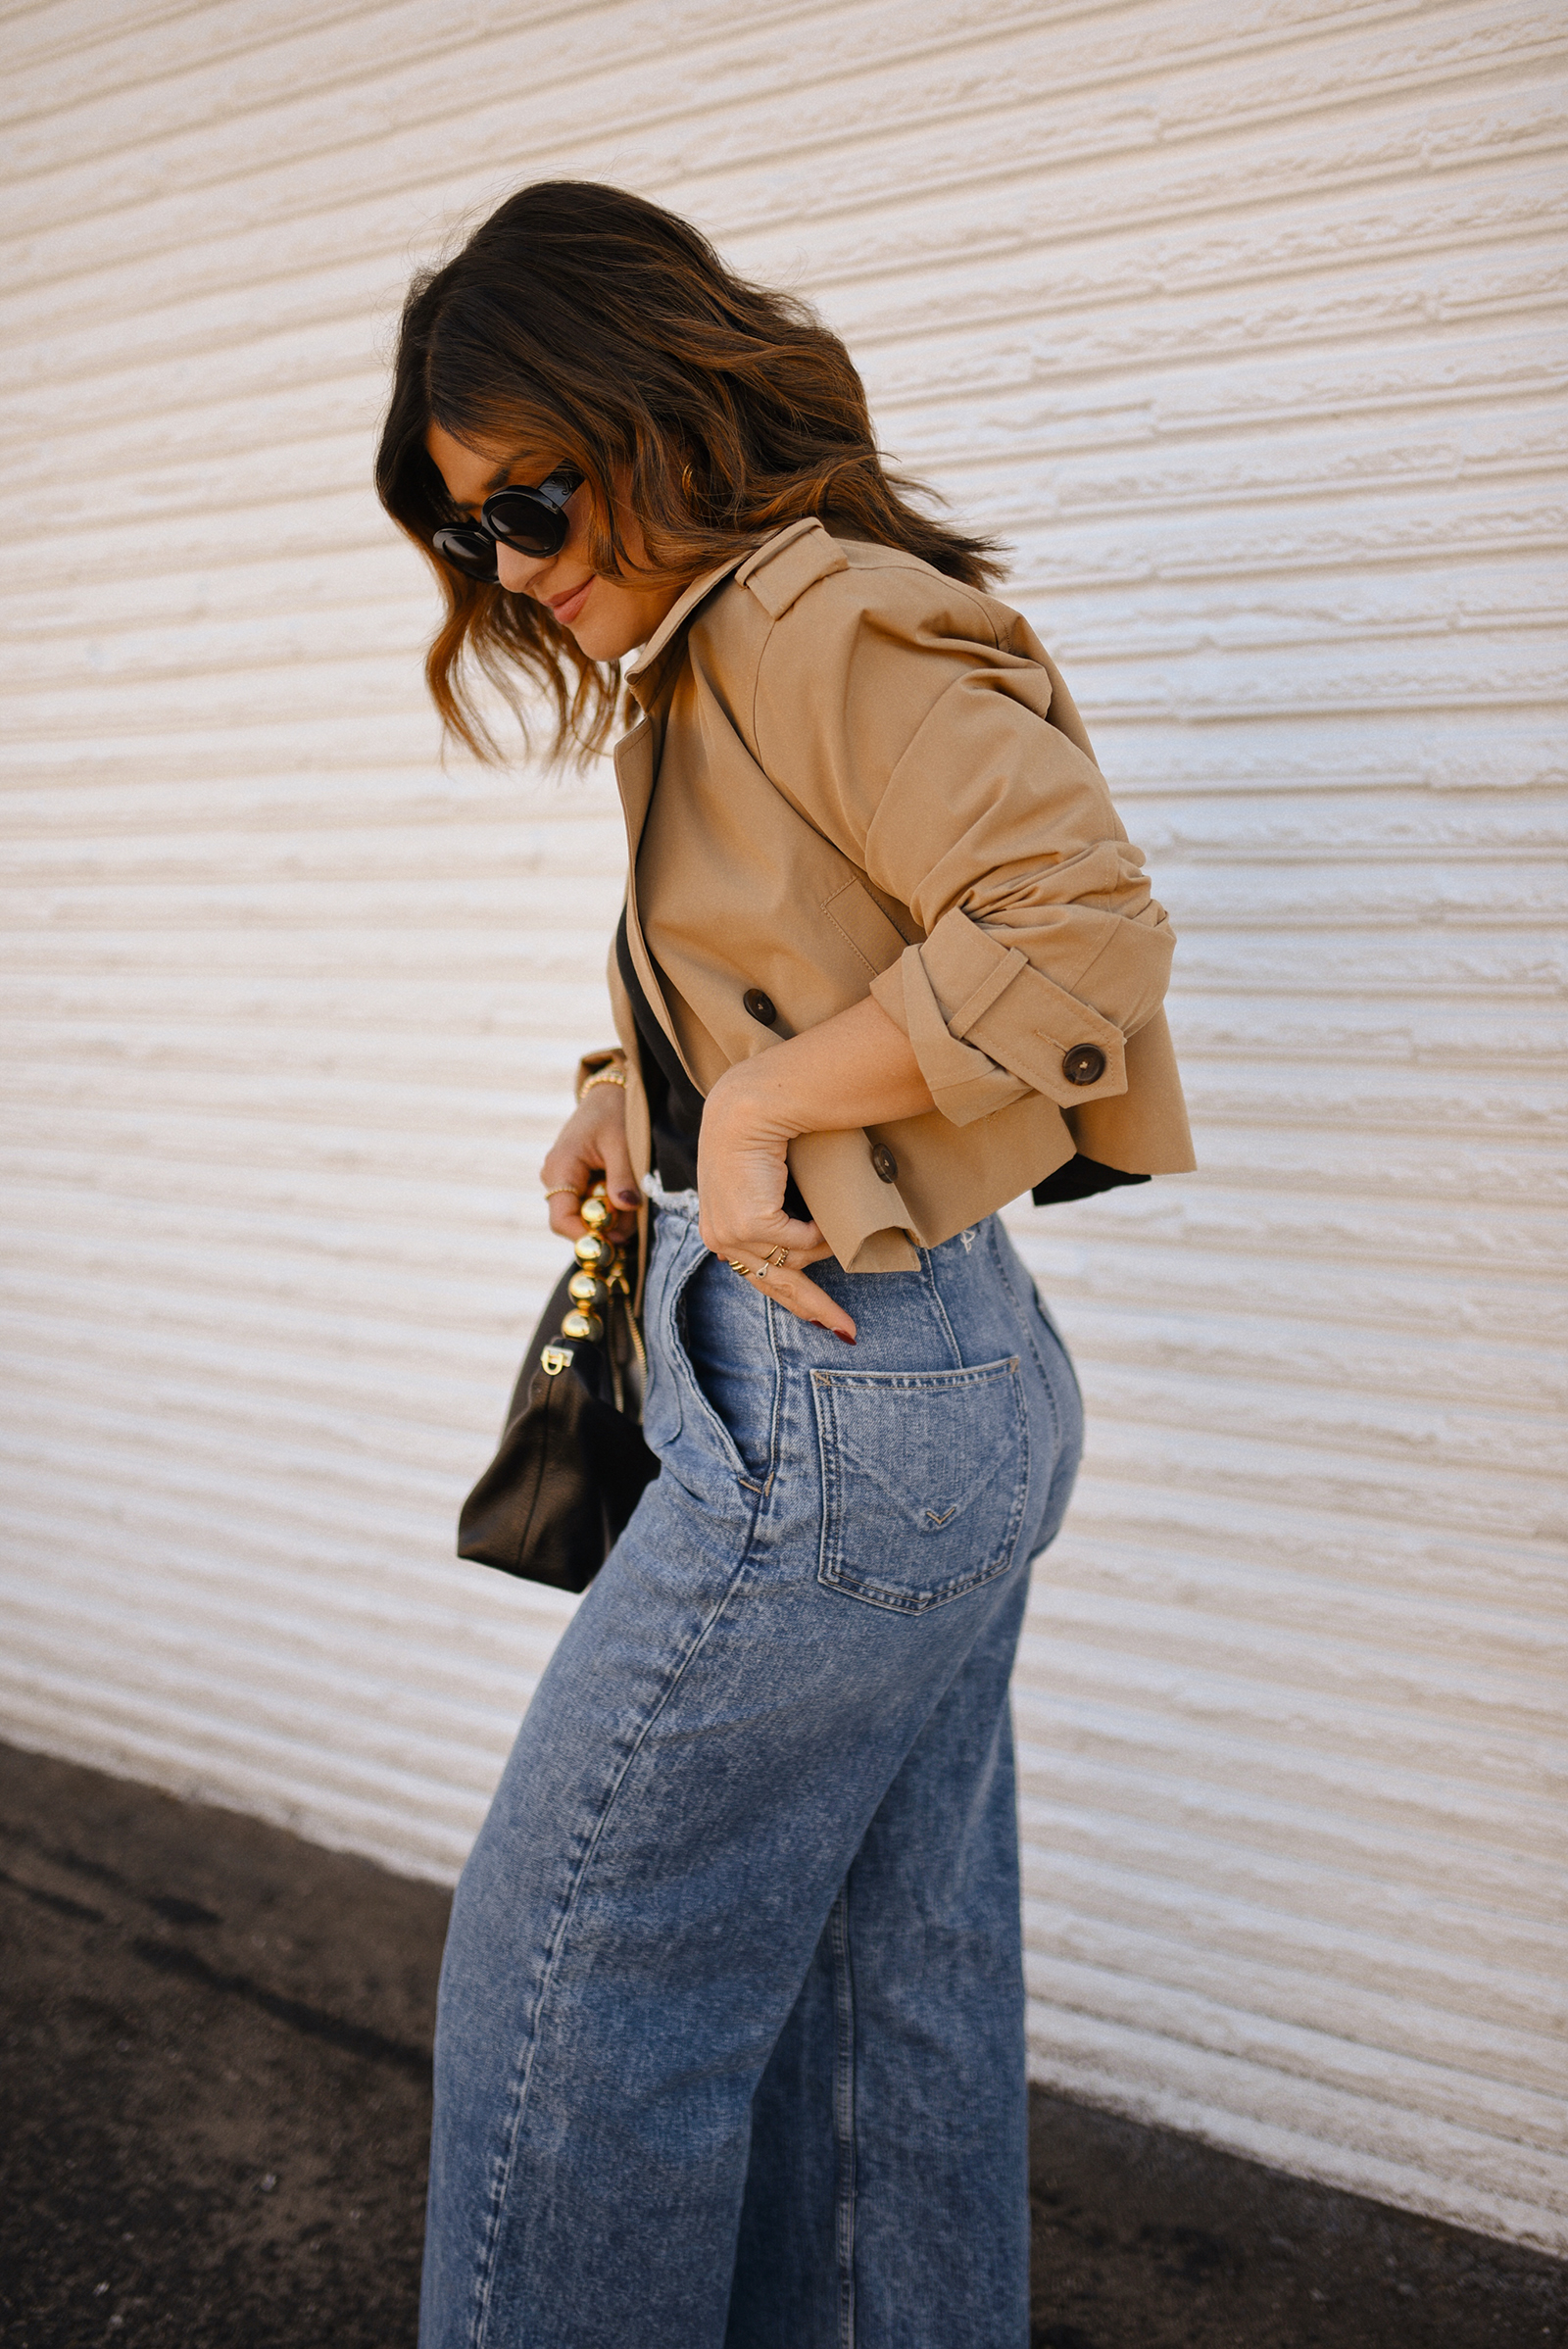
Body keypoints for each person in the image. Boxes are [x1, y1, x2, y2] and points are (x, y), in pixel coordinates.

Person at [377, 178, 1193, 2349]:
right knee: (873, 1991)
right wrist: (634, 1086)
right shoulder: (714, 651)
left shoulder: (812, 617)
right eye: (468, 533)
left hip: (844, 1396)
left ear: (652, 414)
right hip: (913, 1385)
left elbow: (1074, 926)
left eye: (527, 505)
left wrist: (746, 1117)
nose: (507, 570)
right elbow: (807, 945)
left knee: (574, 1980)